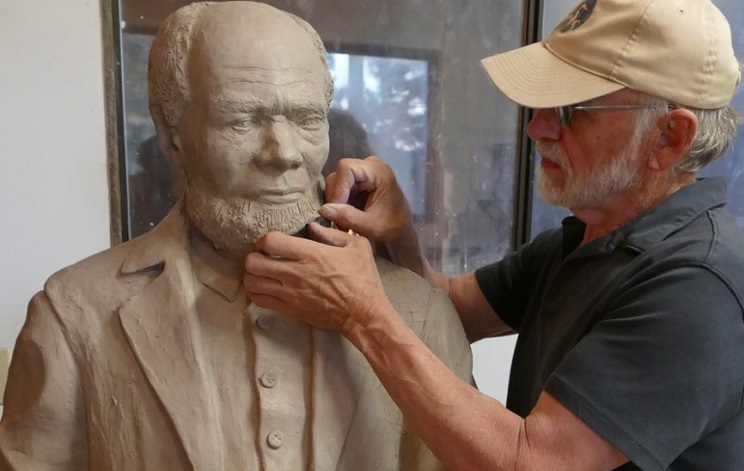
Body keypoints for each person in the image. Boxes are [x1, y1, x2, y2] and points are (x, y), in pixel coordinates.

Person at [242, 0, 744, 469]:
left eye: (571, 109)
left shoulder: (703, 285)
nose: (537, 128)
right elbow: (447, 310)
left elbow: (531, 461)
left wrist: (362, 314)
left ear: (669, 136)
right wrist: (399, 235)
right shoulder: (585, 237)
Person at [0, 2, 472, 470]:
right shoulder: (73, 315)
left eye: (307, 119)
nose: (284, 154)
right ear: (171, 135)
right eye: (242, 120)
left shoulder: (419, 314)